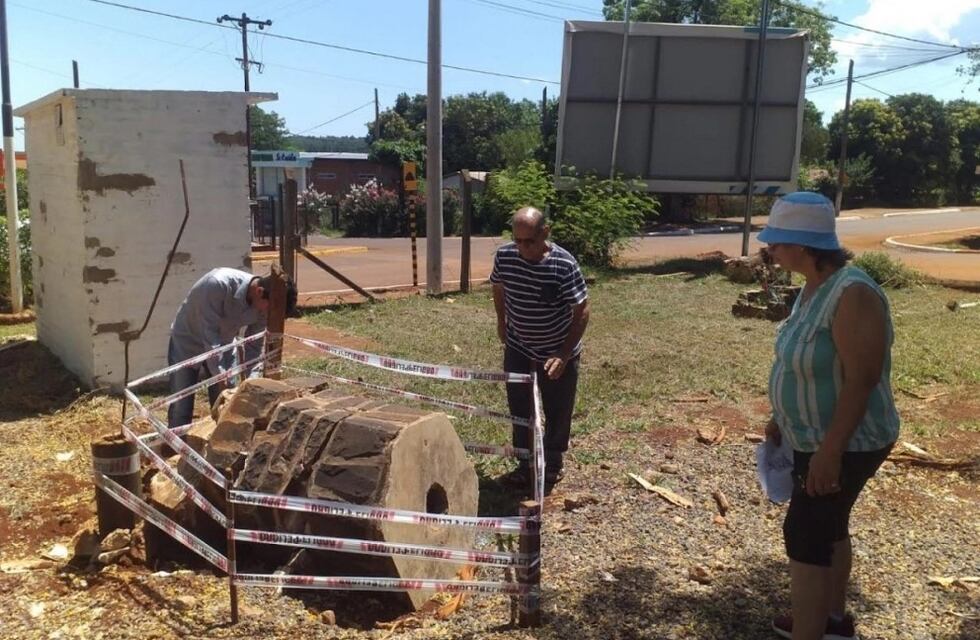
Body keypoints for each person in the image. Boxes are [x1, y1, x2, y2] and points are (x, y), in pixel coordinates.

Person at [759, 192, 900, 640]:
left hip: (845, 442)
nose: (771, 250)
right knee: (830, 526)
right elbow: (803, 362)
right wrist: (781, 415)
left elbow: (861, 378)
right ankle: (833, 621)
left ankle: (810, 630)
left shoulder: (853, 293)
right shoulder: (813, 286)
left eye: (776, 242)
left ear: (801, 245)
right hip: (812, 437)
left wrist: (829, 452)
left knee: (806, 535)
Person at [490, 207, 590, 491]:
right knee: (520, 407)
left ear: (545, 233)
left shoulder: (564, 264)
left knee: (558, 408)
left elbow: (581, 310)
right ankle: (524, 464)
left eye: (529, 242)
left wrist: (563, 353)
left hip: (557, 348)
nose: (522, 248)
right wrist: (501, 320)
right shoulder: (506, 256)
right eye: (517, 240)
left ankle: (554, 461)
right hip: (519, 345)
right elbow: (498, 286)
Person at [166, 267, 297, 429]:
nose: (265, 313)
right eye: (266, 308)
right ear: (259, 291)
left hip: (224, 344)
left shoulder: (266, 303)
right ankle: (175, 448)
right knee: (181, 405)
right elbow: (210, 336)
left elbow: (254, 346)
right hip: (187, 343)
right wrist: (222, 376)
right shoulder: (217, 285)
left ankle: (217, 447)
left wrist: (252, 384)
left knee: (226, 404)